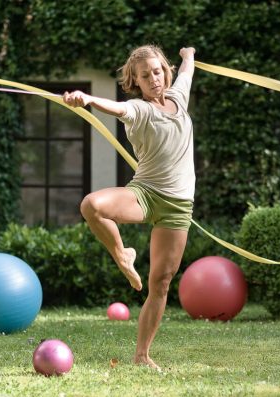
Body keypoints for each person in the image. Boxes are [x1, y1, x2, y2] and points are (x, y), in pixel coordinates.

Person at [63, 45, 196, 370]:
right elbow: (119, 109)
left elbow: (187, 71)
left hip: (178, 206)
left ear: (164, 71)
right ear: (135, 81)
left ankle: (142, 355)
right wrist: (90, 100)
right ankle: (123, 253)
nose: (153, 79)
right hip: (146, 193)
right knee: (92, 205)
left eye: (156, 71)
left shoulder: (178, 97)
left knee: (161, 283)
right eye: (145, 75)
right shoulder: (140, 109)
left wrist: (188, 54)